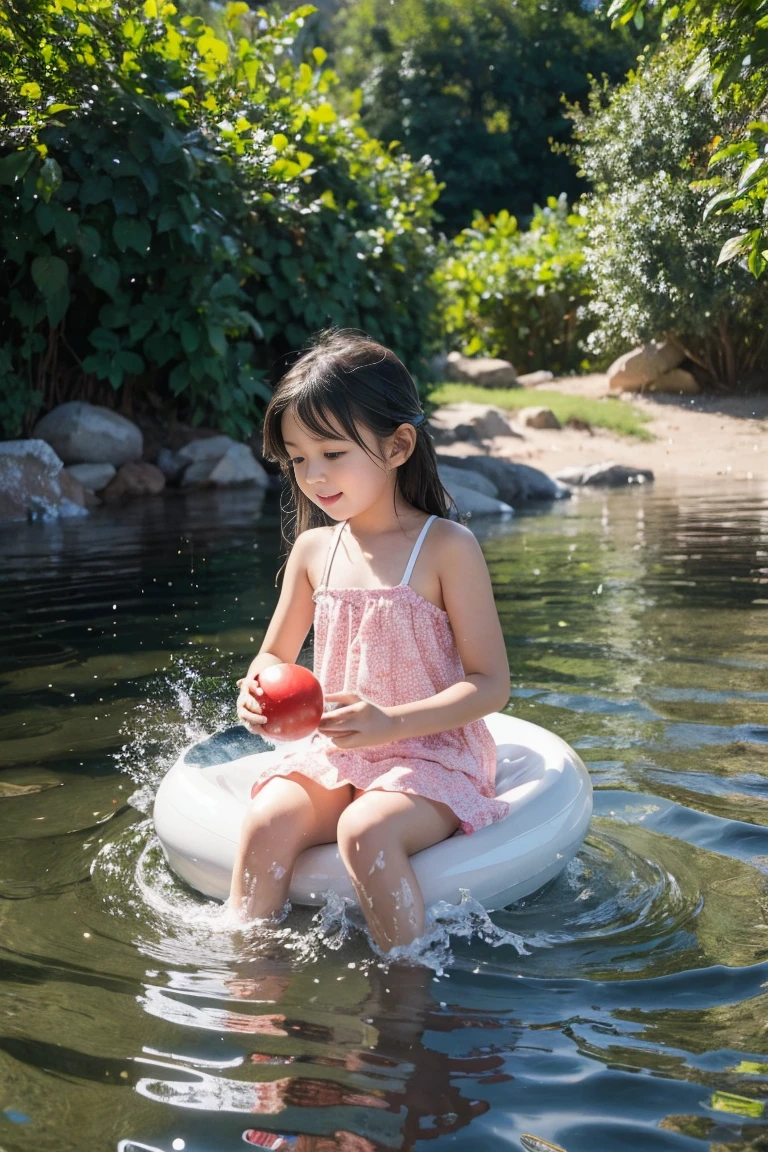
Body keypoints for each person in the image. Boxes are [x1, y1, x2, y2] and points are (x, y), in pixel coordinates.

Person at [230, 329, 510, 953]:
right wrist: (256, 690)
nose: (314, 475)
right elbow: (274, 656)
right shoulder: (313, 552)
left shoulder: (445, 548)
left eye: (332, 453)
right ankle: (251, 978)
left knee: (365, 832)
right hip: (342, 750)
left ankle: (405, 1000)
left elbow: (492, 683)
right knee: (267, 819)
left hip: (431, 753)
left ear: (398, 445)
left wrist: (393, 722)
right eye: (299, 459)